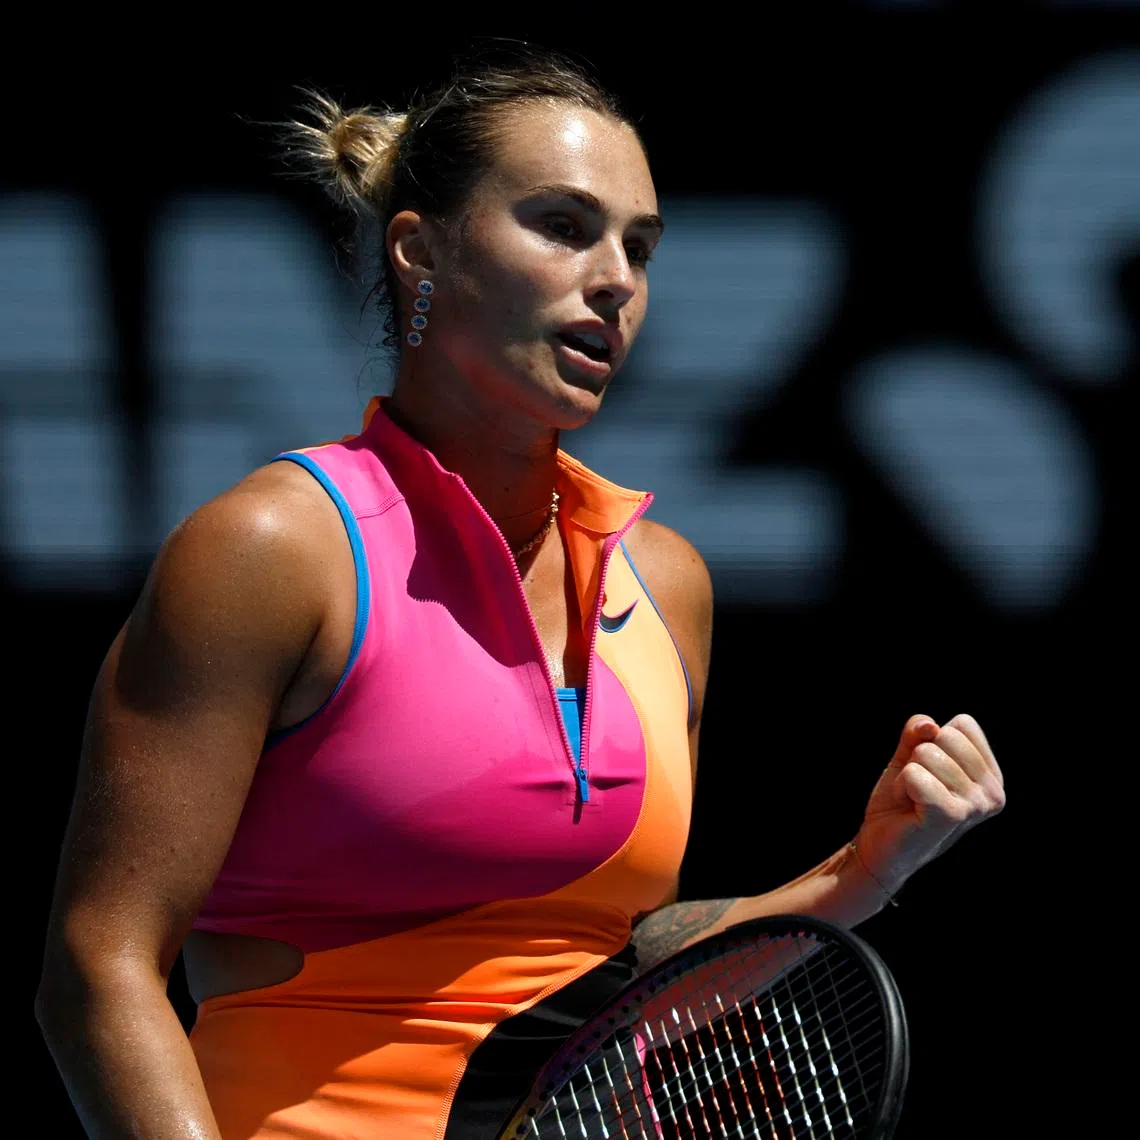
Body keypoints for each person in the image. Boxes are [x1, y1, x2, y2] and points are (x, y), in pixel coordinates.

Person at [35, 44, 1006, 1140]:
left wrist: (860, 870)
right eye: (563, 226)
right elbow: (98, 969)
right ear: (421, 250)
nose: (616, 278)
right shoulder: (270, 551)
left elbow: (612, 973)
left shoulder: (666, 584)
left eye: (639, 246)